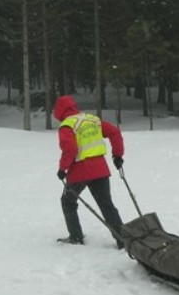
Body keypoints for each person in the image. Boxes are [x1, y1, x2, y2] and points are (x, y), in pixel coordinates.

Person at [53, 95, 125, 249]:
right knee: (106, 204)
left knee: (67, 201)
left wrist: (62, 168)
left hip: (80, 171)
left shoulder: (67, 125)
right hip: (101, 170)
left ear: (59, 110)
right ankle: (122, 239)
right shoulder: (92, 119)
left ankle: (76, 237)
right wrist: (118, 155)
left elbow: (70, 149)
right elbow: (114, 132)